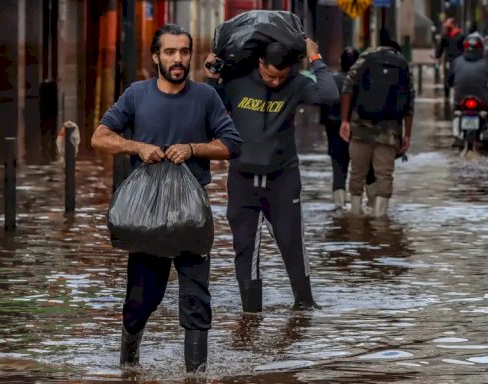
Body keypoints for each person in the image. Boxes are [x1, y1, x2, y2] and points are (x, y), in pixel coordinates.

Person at [91, 24, 242, 373]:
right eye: (171, 52)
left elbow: (231, 144)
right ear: (156, 56)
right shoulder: (136, 95)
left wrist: (193, 148)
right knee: (142, 299)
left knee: (196, 299)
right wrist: (137, 146)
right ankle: (128, 365)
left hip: (191, 214)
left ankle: (196, 375)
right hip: (146, 216)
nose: (178, 59)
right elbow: (100, 138)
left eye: (184, 52)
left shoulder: (205, 97)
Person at [204, 38, 338, 314]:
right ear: (259, 63)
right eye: (269, 75)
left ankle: (304, 307)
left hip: (283, 179)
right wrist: (213, 76)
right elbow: (206, 105)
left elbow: (329, 96)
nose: (275, 82)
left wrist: (315, 58)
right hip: (242, 177)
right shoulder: (237, 81)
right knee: (245, 247)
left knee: (292, 244)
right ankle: (251, 314)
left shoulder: (298, 84)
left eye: (281, 76)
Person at [339, 39, 414, 217]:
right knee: (384, 176)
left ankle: (355, 216)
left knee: (357, 173)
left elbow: (347, 88)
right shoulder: (403, 64)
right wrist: (407, 135)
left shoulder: (366, 57)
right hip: (390, 132)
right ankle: (380, 221)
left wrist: (344, 120)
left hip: (361, 127)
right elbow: (410, 103)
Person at [449, 33, 488, 148]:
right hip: (482, 98)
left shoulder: (456, 61)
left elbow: (449, 81)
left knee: (455, 109)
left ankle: (456, 134)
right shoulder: (486, 62)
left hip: (460, 98)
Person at [320, 47, 360, 208]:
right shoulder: (362, 81)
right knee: (362, 170)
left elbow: (323, 104)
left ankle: (339, 206)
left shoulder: (331, 80)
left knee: (338, 168)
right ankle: (361, 208)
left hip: (334, 128)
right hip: (358, 129)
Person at [436, 18, 465, 98]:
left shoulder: (461, 35)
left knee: (458, 77)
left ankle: (458, 94)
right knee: (447, 77)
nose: (446, 25)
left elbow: (464, 47)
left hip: (459, 60)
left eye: (448, 23)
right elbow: (441, 48)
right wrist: (437, 56)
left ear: (453, 24)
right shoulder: (446, 36)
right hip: (448, 60)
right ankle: (447, 95)